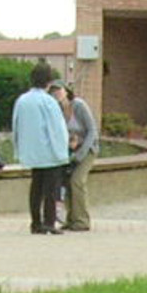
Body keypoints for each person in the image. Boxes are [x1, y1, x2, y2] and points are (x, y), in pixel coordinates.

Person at [12, 61, 71, 234]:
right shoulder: (48, 102)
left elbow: (16, 126)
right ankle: (49, 223)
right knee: (50, 190)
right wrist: (62, 152)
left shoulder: (22, 101)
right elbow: (57, 129)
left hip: (31, 152)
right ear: (49, 81)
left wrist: (20, 149)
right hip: (49, 153)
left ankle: (35, 223)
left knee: (36, 188)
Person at [60, 84, 99, 231]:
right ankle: (71, 219)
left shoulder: (79, 105)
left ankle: (82, 220)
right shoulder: (57, 110)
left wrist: (82, 150)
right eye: (53, 91)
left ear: (66, 91)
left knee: (77, 181)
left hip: (88, 149)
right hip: (71, 151)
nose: (57, 93)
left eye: (59, 90)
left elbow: (92, 130)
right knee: (67, 181)